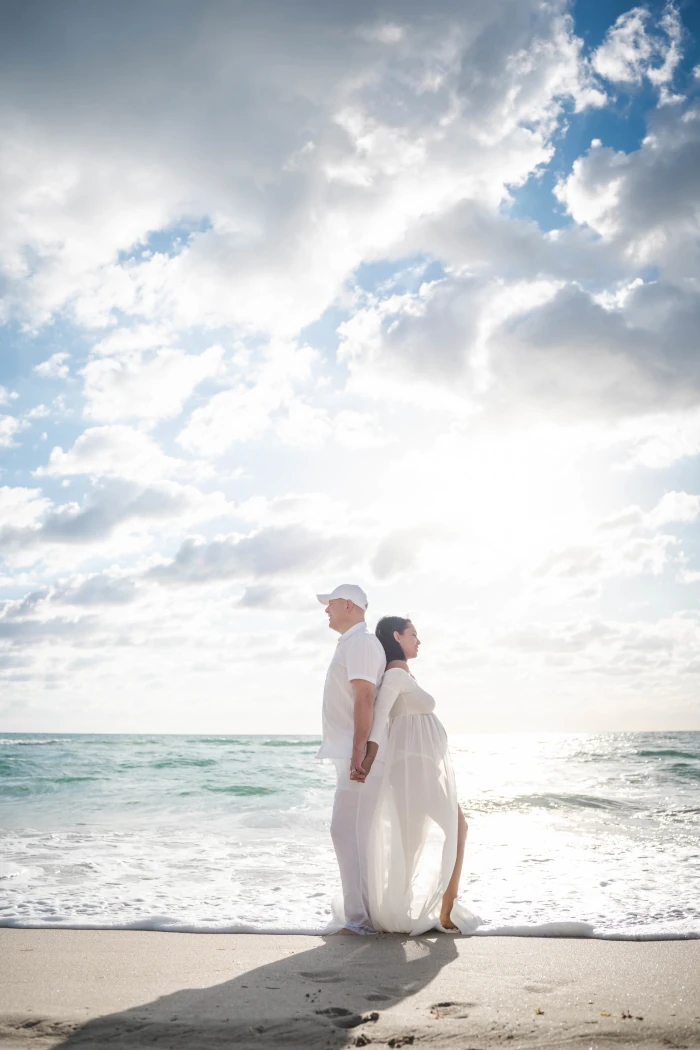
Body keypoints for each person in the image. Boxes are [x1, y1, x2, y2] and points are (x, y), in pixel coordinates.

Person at [364, 615, 480, 935]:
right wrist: (369, 755)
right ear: (396, 636)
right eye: (414, 634)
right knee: (458, 828)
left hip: (414, 768)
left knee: (410, 842)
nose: (419, 641)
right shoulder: (395, 676)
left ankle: (394, 913)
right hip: (414, 768)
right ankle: (446, 910)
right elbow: (380, 717)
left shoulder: (404, 676)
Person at [315, 583, 387, 935]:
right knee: (353, 833)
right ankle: (363, 917)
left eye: (330, 604)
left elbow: (364, 698)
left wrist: (359, 751)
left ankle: (360, 921)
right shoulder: (353, 643)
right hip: (348, 752)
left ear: (349, 605)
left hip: (353, 754)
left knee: (345, 832)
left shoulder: (360, 642)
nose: (325, 610)